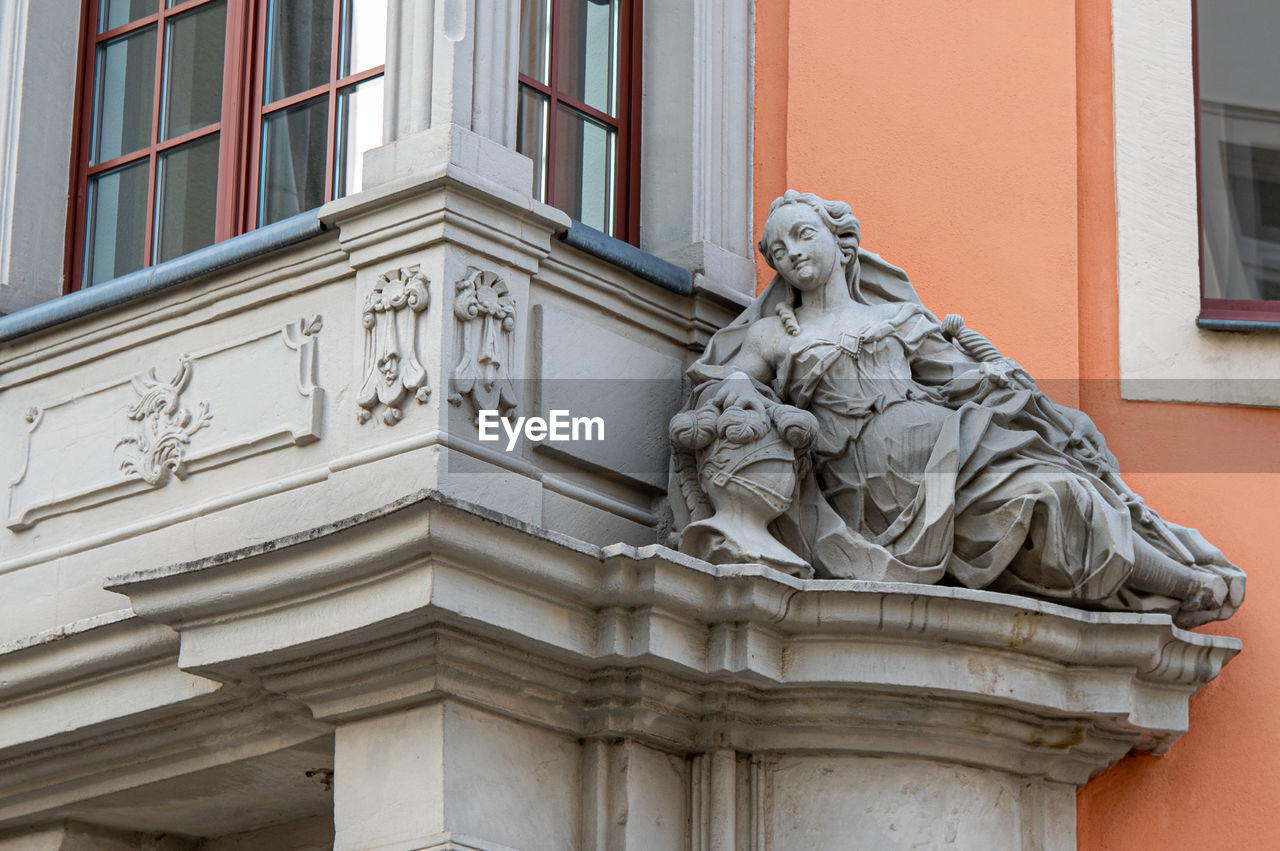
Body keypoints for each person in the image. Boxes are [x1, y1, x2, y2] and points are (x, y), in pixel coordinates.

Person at [669, 190, 1244, 627]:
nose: (791, 253)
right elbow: (726, 388)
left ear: (839, 239)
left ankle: (1182, 582)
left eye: (801, 235)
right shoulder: (775, 334)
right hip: (869, 480)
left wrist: (1003, 378)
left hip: (949, 443)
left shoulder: (899, 320)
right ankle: (1175, 580)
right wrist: (750, 397)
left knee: (1059, 490)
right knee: (1046, 494)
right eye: (777, 251)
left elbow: (967, 381)